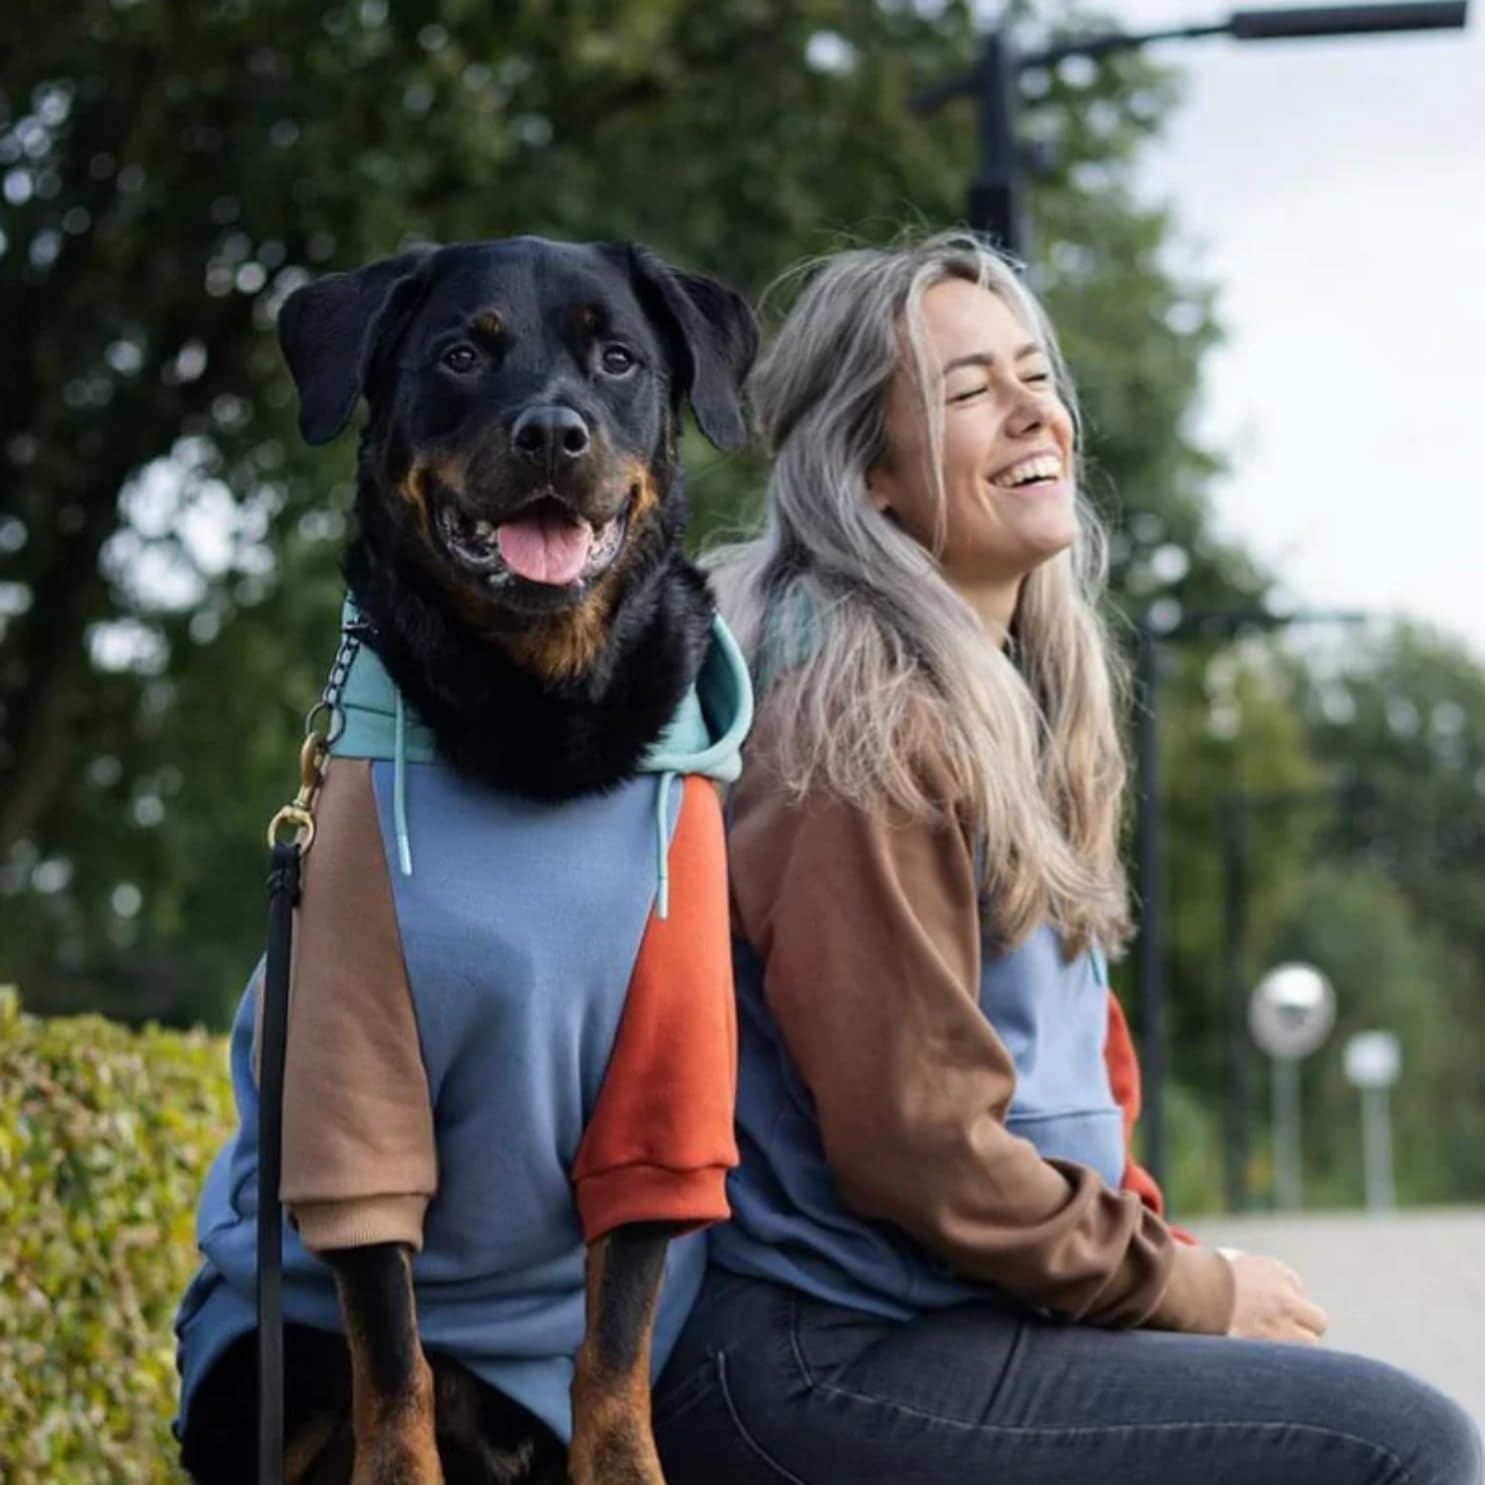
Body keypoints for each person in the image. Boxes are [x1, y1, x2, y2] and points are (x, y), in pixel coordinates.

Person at [648, 231, 1481, 1485]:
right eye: (968, 391)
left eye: (1035, 375)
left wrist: (1163, 1261)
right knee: (1401, 1445)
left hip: (937, 1316)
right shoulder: (857, 724)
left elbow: (1067, 1084)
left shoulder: (997, 695)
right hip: (822, 1351)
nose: (1034, 410)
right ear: (869, 473)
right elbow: (918, 1144)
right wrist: (1190, 1289)